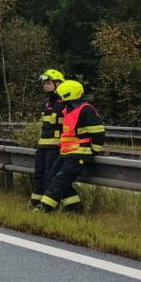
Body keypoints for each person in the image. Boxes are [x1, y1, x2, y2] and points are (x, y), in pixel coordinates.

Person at [37, 79, 105, 213]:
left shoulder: (86, 110)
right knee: (51, 178)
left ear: (69, 95)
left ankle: (44, 209)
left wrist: (93, 152)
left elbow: (98, 134)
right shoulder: (68, 109)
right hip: (65, 153)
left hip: (79, 154)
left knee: (59, 180)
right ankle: (75, 209)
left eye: (62, 95)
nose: (60, 98)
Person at [30, 68, 65, 207]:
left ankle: (48, 204)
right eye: (44, 83)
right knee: (38, 174)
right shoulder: (47, 102)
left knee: (49, 175)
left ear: (57, 83)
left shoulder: (64, 102)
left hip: (55, 147)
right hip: (43, 146)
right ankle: (35, 202)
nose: (45, 85)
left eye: (49, 82)